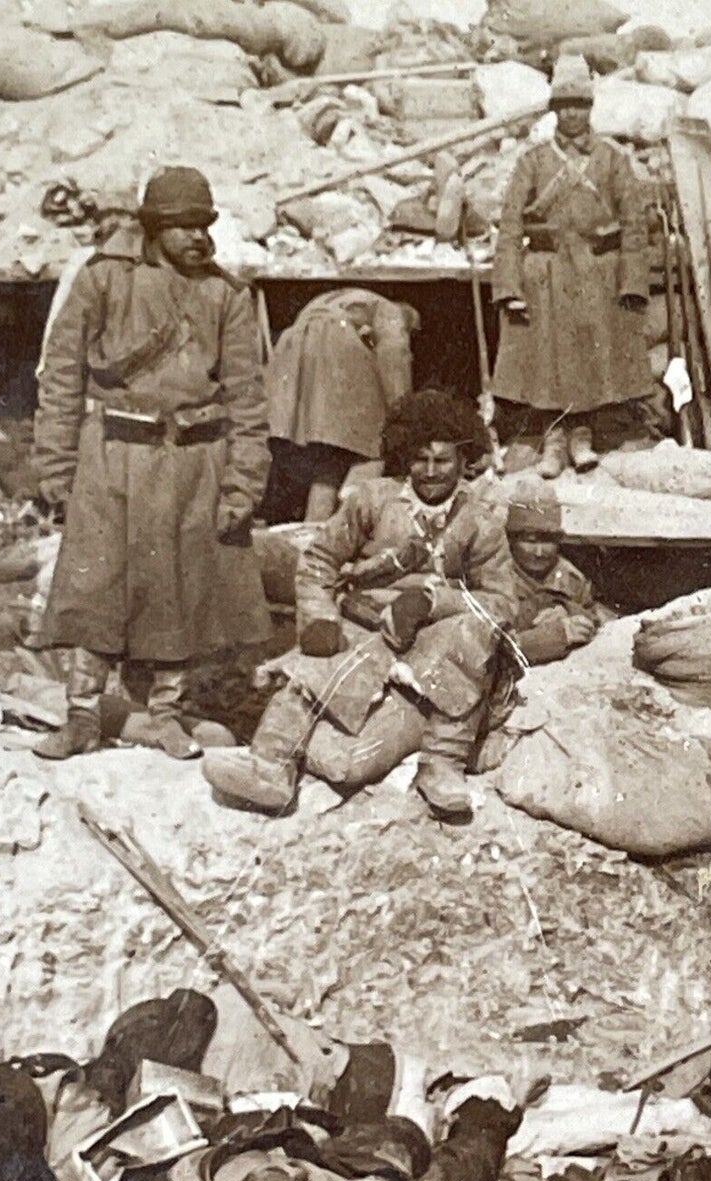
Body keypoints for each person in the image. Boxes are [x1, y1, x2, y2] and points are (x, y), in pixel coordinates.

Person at [31, 166, 271, 762]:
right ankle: (83, 715)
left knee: (180, 592)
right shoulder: (103, 281)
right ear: (153, 228)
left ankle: (166, 717)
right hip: (112, 457)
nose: (197, 237)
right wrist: (57, 466)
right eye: (182, 226)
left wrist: (243, 483)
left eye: (204, 225)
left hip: (195, 462)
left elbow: (247, 397)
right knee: (95, 590)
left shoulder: (226, 295)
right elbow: (61, 377)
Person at [202, 390, 515, 823]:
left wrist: (431, 602)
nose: (429, 472)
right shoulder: (373, 499)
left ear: (464, 461)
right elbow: (319, 560)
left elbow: (500, 601)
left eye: (442, 461)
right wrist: (318, 618)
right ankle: (271, 767)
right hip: (369, 621)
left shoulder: (480, 521)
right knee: (311, 672)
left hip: (435, 633)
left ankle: (442, 765)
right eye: (419, 460)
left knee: (471, 640)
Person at [491, 54, 652, 480]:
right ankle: (554, 439)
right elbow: (509, 226)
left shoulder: (613, 159)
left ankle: (582, 436)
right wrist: (509, 285)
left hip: (596, 271)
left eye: (579, 104)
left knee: (591, 357)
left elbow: (635, 224)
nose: (572, 113)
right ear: (554, 110)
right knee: (547, 359)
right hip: (545, 272)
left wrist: (631, 280)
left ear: (591, 107)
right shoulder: (533, 161)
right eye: (564, 105)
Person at [264, 289, 420, 524]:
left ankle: (316, 524)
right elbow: (394, 357)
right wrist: (404, 413)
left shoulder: (355, 300)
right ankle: (350, 519)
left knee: (333, 452)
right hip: (336, 341)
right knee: (375, 445)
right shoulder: (392, 312)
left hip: (294, 347)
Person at [505, 488, 601, 665]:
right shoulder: (493, 576)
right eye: (530, 541)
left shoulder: (570, 577)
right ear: (511, 540)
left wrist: (569, 612)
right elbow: (488, 649)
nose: (540, 552)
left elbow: (593, 615)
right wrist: (554, 635)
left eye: (548, 541)